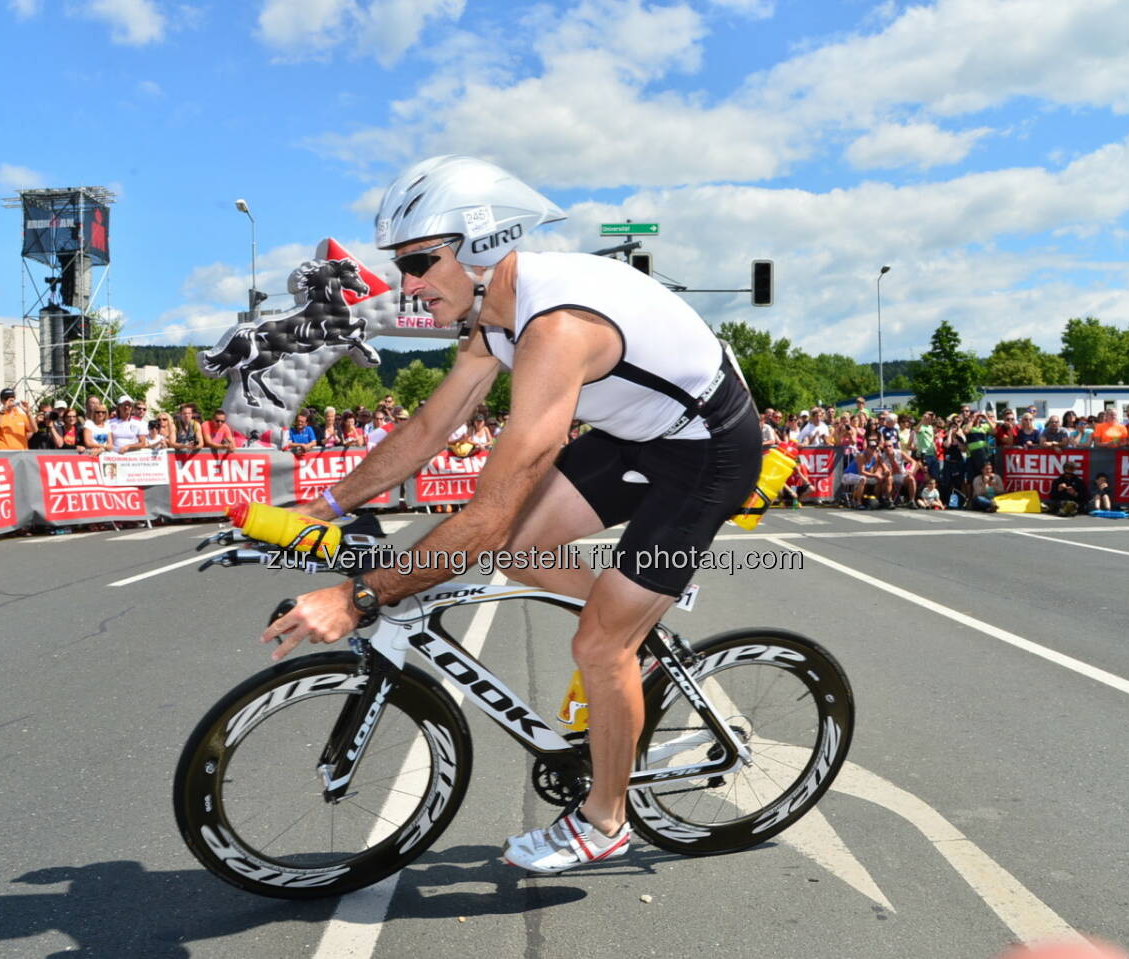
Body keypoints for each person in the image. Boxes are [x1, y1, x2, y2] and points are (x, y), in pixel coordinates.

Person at [262, 154, 760, 875]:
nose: (407, 285)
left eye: (421, 262)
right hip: (639, 433)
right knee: (524, 550)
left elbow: (484, 515)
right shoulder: (492, 316)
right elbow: (430, 427)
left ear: (482, 245)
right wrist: (326, 503)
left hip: (709, 450)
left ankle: (606, 818)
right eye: (401, 265)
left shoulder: (555, 331)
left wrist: (356, 596)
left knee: (596, 645)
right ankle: (637, 630)